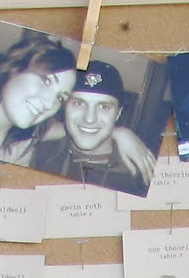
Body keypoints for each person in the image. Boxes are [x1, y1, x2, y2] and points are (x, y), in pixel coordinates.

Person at [28, 59, 157, 196]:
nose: (89, 119)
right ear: (65, 107)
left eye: (104, 107)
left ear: (118, 113)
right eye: (78, 103)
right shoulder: (39, 153)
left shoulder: (140, 174)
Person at [0, 35, 80, 166]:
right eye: (46, 80)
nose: (49, 104)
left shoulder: (25, 142)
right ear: (14, 68)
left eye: (60, 98)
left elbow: (71, 128)